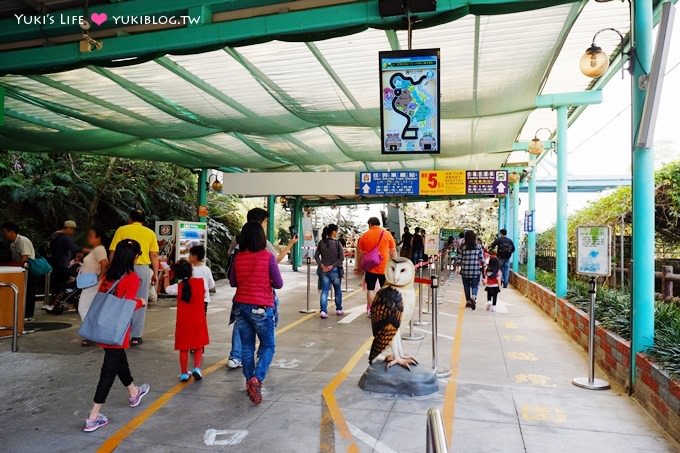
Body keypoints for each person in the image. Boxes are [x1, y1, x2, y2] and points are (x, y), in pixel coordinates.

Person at [83, 239, 150, 433]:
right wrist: (141, 301)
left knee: (119, 360)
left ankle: (134, 392)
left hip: (103, 327)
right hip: (116, 330)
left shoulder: (108, 276)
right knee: (108, 371)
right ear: (134, 257)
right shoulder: (131, 278)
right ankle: (93, 417)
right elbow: (126, 306)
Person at [227, 208, 297, 369]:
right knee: (268, 341)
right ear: (261, 222)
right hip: (262, 299)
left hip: (241, 295)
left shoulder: (236, 241)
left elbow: (232, 275)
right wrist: (291, 244)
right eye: (265, 221)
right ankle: (258, 373)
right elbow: (276, 266)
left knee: (242, 328)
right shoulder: (263, 245)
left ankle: (235, 357)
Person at [229, 221, 283, 405]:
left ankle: (248, 381)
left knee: (246, 347)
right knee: (268, 346)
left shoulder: (238, 257)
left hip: (241, 305)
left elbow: (233, 282)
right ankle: (257, 379)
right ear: (261, 238)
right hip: (261, 307)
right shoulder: (267, 257)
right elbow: (278, 283)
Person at [109, 209, 160, 347]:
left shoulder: (121, 230)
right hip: (142, 269)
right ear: (143, 220)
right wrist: (155, 273)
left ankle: (120, 332)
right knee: (140, 302)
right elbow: (154, 255)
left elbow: (113, 251)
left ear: (130, 218)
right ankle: (136, 336)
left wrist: (112, 268)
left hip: (122, 268)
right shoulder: (150, 233)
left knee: (121, 300)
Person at [172, 260, 210, 382]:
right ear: (191, 270)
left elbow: (167, 289)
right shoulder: (200, 283)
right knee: (198, 345)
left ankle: (183, 373)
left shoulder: (178, 287)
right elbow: (204, 292)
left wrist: (168, 277)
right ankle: (197, 368)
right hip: (198, 320)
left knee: (183, 348)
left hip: (183, 322)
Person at [355, 217, 397, 316]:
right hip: (384, 267)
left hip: (370, 267)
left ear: (370, 224)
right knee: (386, 289)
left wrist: (359, 267)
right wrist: (395, 264)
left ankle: (372, 311)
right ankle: (385, 310)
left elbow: (360, 253)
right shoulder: (387, 234)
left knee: (370, 289)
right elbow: (393, 250)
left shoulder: (364, 235)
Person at [78, 228, 109, 346]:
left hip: (92, 283)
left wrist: (101, 276)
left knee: (83, 307)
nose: (89, 238)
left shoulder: (99, 249)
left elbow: (104, 262)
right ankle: (93, 332)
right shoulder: (96, 250)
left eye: (91, 236)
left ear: (99, 238)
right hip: (91, 282)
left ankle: (90, 333)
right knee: (90, 308)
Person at [1, 222, 37, 321]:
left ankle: (29, 314)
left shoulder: (22, 240)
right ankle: (22, 312)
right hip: (20, 270)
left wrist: (20, 269)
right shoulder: (12, 244)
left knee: (29, 291)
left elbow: (24, 257)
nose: (4, 235)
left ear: (12, 231)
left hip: (28, 269)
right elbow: (15, 259)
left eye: (5, 232)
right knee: (22, 291)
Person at [314, 224, 344, 319]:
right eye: (337, 231)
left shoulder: (321, 242)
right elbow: (341, 258)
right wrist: (332, 266)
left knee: (325, 291)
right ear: (334, 232)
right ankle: (339, 309)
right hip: (335, 270)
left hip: (324, 270)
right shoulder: (337, 243)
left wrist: (321, 265)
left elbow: (316, 256)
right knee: (338, 291)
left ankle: (323, 311)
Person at [49, 220, 85, 294]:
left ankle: (54, 301)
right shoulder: (64, 238)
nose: (73, 232)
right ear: (68, 228)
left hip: (55, 265)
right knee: (68, 281)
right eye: (72, 229)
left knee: (57, 285)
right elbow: (74, 248)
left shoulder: (56, 237)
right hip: (61, 266)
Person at [460, 230, 484, 310]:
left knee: (466, 286)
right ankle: (473, 297)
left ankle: (468, 301)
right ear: (474, 237)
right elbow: (481, 259)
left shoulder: (463, 247)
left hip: (465, 270)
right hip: (475, 270)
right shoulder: (479, 246)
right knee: (475, 285)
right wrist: (484, 265)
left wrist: (457, 266)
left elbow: (459, 259)